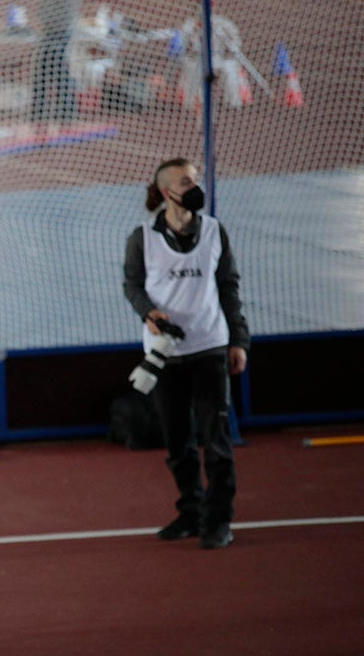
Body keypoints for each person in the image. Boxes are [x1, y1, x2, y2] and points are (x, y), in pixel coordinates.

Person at [122, 157, 250, 550]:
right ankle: (190, 512)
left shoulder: (214, 231)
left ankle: (219, 520)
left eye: (195, 179)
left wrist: (238, 340)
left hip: (209, 346)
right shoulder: (142, 237)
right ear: (166, 192)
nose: (195, 186)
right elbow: (132, 285)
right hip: (165, 353)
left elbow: (228, 286)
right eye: (185, 181)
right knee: (177, 442)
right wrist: (148, 313)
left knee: (215, 440)